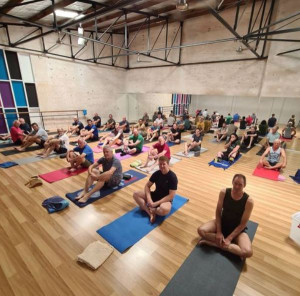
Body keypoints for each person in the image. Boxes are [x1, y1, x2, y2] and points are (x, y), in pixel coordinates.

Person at [198, 174, 254, 260]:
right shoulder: (224, 192)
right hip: (222, 222)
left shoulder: (249, 201)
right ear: (232, 182)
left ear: (244, 185)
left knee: (248, 252)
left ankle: (213, 244)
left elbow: (243, 224)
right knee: (201, 230)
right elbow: (218, 211)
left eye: (240, 185)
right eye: (235, 183)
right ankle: (229, 247)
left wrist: (229, 238)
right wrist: (219, 232)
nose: (237, 186)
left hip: (237, 230)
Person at [133, 156, 177, 223]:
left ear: (168, 164)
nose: (161, 166)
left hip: (165, 200)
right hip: (155, 195)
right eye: (160, 164)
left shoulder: (172, 177)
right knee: (136, 194)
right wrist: (149, 199)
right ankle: (150, 213)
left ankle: (150, 209)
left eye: (164, 164)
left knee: (164, 210)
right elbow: (147, 186)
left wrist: (156, 203)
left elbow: (171, 196)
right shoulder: (157, 174)